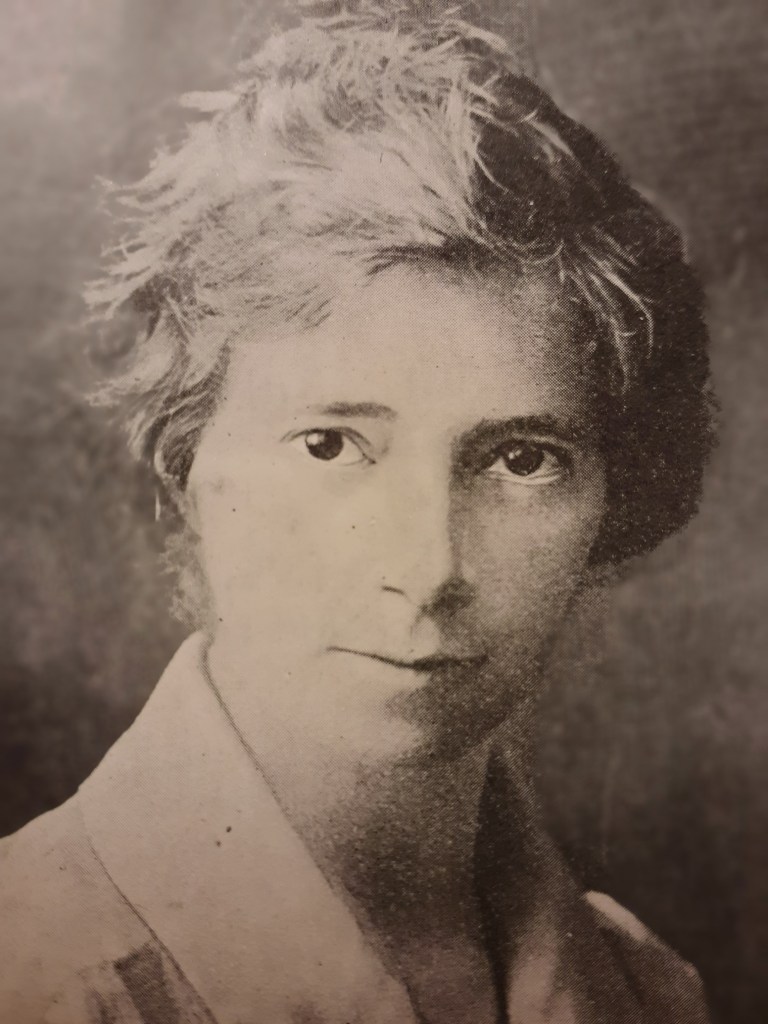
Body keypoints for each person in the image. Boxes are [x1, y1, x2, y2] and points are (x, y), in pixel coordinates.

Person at [0, 4, 714, 1022]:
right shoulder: (34, 976)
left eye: (521, 459)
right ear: (187, 461)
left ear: (611, 496)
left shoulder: (648, 992)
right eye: (332, 445)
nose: (427, 568)